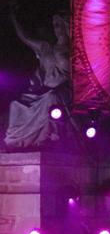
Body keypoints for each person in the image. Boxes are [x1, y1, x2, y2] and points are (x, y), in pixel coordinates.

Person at [5, 11, 71, 150]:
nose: (57, 29)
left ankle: (49, 137)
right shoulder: (45, 47)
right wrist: (13, 17)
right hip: (44, 91)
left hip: (63, 92)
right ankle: (15, 141)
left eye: (60, 25)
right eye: (55, 25)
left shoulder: (75, 50)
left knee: (51, 98)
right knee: (16, 104)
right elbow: (25, 37)